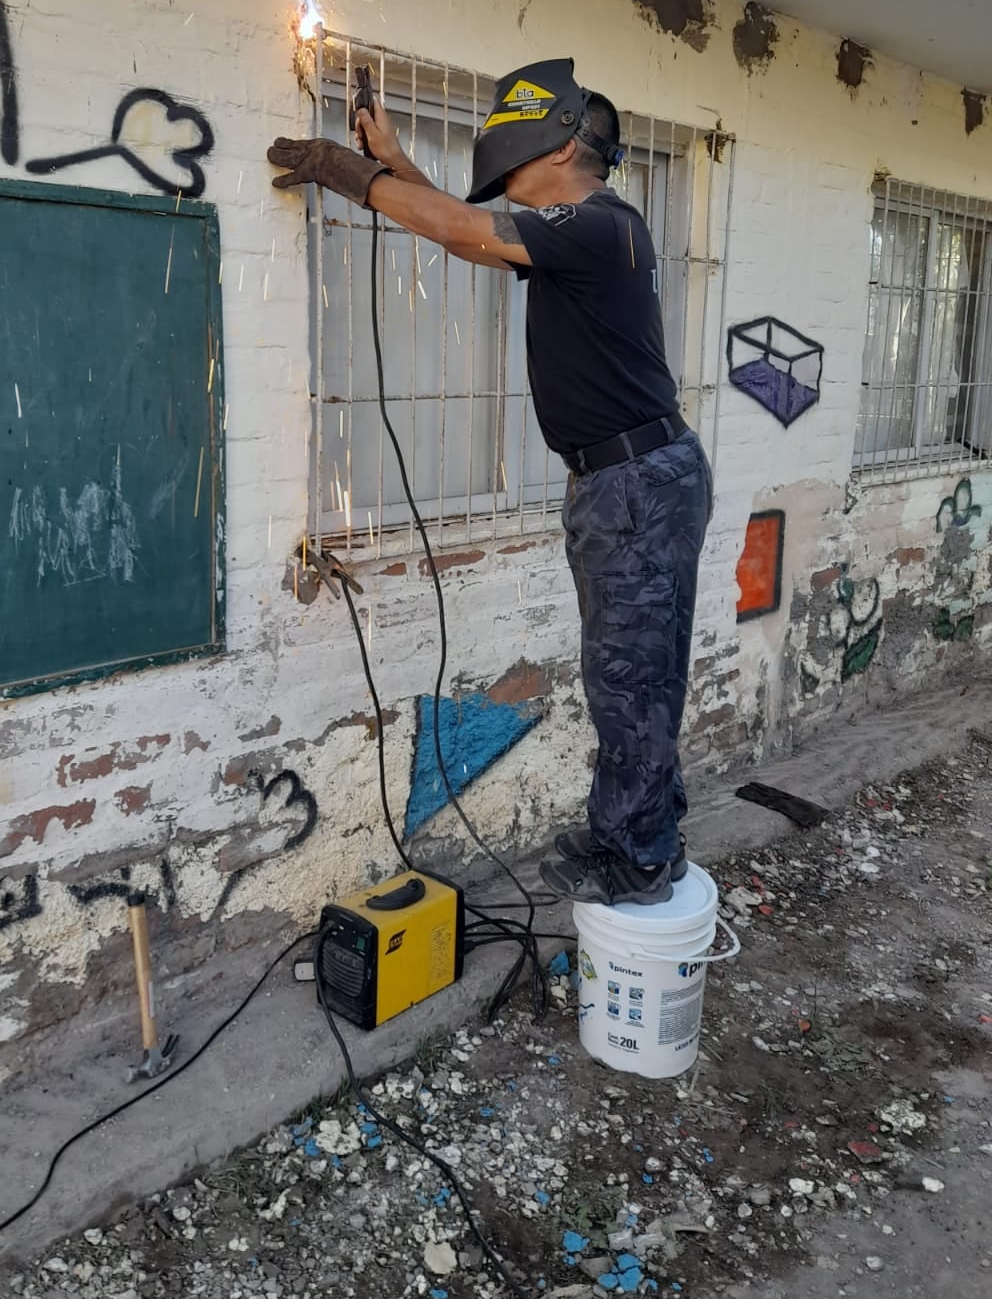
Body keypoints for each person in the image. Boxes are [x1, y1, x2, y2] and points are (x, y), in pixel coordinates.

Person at [268, 58, 711, 906]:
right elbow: (469, 229)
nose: (504, 178)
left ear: (559, 149)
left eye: (513, 162)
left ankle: (641, 854)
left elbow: (458, 232)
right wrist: (393, 163)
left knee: (631, 675)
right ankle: (640, 827)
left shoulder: (596, 223)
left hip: (636, 485)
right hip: (626, 480)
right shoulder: (580, 232)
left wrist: (343, 170)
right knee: (633, 670)